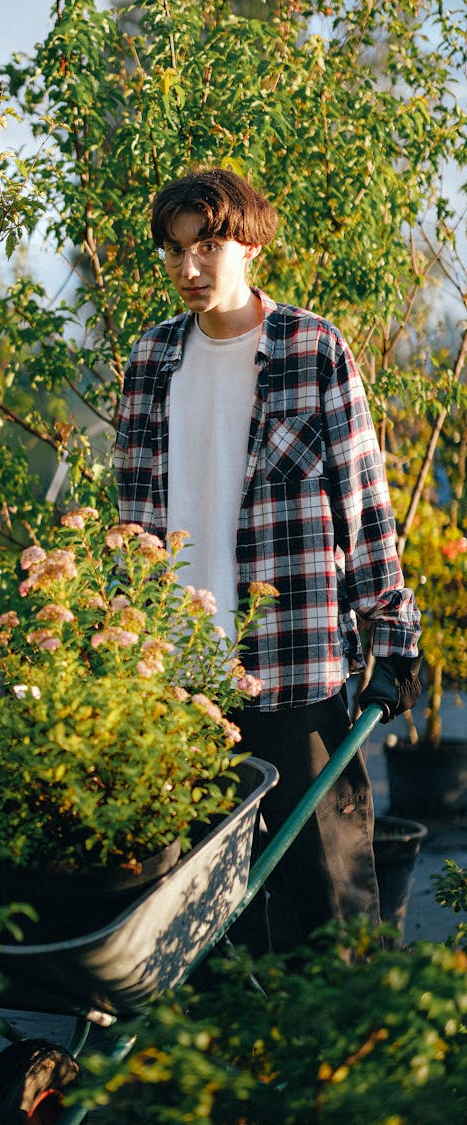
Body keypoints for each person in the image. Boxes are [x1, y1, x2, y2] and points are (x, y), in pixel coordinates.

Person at [114, 166, 422, 953]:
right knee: (206, 931)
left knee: (334, 913)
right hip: (186, 690)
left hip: (298, 673)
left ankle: (347, 1070)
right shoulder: (150, 364)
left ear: (248, 245)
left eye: (207, 246)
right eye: (175, 252)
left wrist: (394, 637)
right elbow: (135, 526)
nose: (188, 268)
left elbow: (364, 504)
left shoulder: (312, 349)